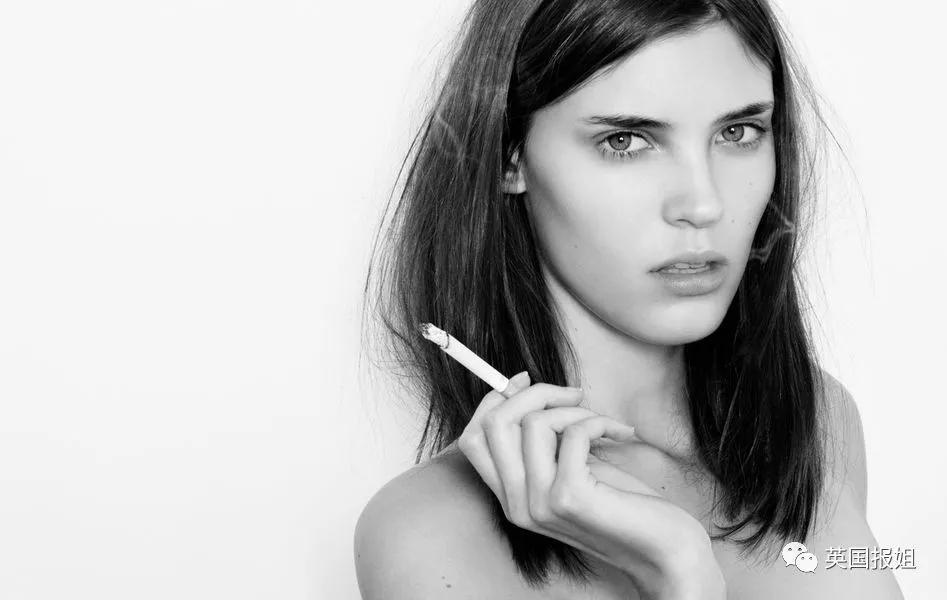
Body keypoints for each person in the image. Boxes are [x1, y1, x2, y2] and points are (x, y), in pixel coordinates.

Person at [354, 0, 904, 598]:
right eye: (626, 140)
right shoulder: (431, 536)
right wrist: (677, 571)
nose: (704, 204)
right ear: (510, 154)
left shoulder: (817, 424)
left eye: (737, 132)